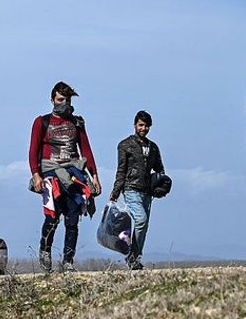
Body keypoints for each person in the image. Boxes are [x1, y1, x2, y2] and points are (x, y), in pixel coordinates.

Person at [28, 81, 101, 273]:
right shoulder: (41, 122)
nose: (63, 103)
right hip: (51, 173)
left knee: (73, 219)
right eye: (60, 99)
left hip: (74, 173)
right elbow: (33, 150)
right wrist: (36, 175)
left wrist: (94, 176)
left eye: (66, 100)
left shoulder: (77, 122)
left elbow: (86, 149)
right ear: (52, 99)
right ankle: (45, 251)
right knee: (52, 217)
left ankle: (68, 261)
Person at [110, 111, 165, 270]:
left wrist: (161, 183)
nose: (144, 128)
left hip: (147, 192)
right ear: (135, 125)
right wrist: (116, 191)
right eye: (141, 125)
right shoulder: (125, 145)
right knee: (140, 220)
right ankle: (132, 257)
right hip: (130, 188)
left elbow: (160, 169)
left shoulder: (153, 147)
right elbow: (121, 169)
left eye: (147, 125)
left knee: (144, 225)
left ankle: (134, 258)